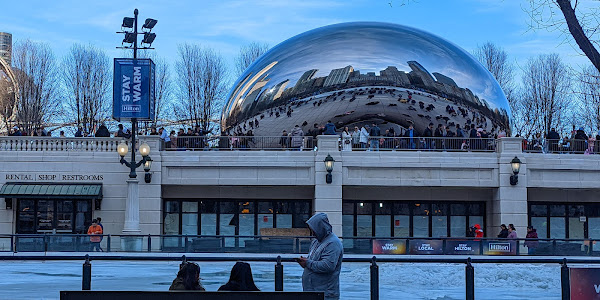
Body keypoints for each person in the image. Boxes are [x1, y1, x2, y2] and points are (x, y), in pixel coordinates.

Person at [297, 213, 343, 300]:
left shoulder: (333, 243)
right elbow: (313, 261)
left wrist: (307, 263)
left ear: (320, 228)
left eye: (314, 229)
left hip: (325, 294)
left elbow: (327, 266)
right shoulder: (316, 241)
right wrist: (305, 262)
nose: (312, 232)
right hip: (312, 292)